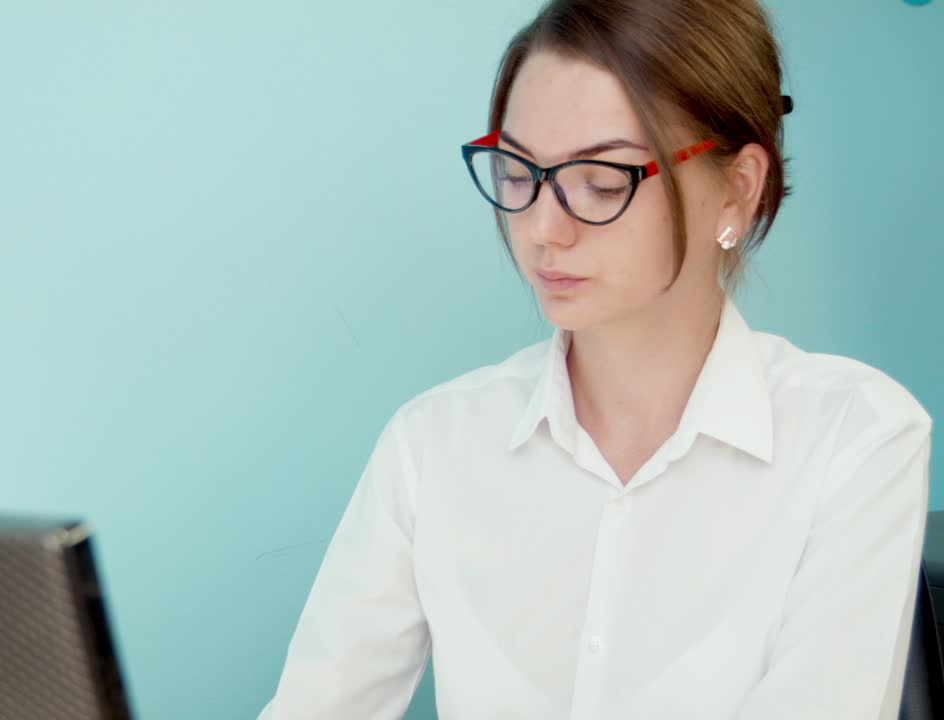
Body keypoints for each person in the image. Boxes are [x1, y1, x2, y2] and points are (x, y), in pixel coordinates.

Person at [258, 0, 933, 718]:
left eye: (603, 182)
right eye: (518, 171)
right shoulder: (431, 447)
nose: (543, 229)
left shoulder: (855, 439)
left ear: (737, 189)